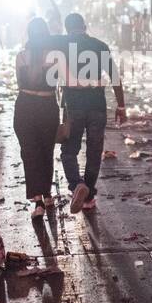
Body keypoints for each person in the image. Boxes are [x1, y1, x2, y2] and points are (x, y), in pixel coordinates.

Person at [53, 12, 126, 214]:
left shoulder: (60, 44)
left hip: (72, 107)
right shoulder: (100, 45)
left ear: (67, 28)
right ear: (85, 26)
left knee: (69, 150)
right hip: (96, 105)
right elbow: (115, 77)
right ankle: (89, 196)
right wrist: (121, 106)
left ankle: (77, 186)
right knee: (94, 151)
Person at [14, 17, 61, 219]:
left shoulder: (21, 57)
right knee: (46, 151)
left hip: (25, 105)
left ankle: (38, 200)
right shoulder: (54, 56)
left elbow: (19, 83)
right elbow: (59, 84)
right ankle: (48, 193)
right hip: (47, 106)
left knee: (29, 153)